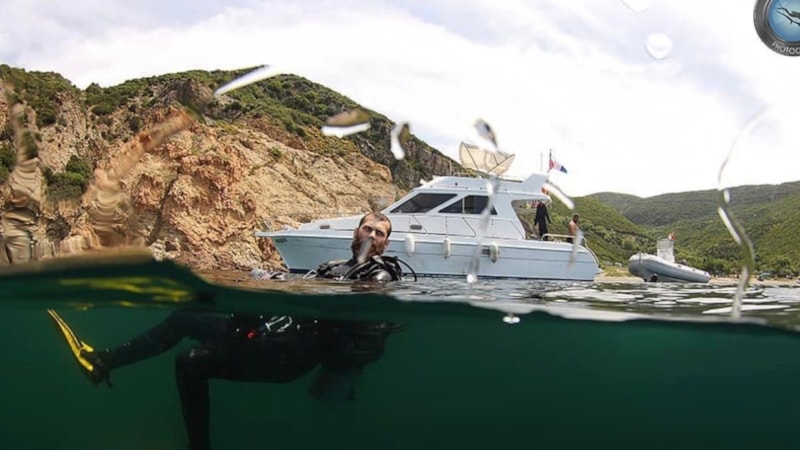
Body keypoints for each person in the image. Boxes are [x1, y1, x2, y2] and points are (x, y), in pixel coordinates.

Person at [50, 212, 407, 450]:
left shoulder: (379, 274)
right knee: (183, 317)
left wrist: (297, 290)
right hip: (274, 336)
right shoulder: (332, 265)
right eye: (367, 228)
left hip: (290, 357)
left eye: (379, 232)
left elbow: (350, 304)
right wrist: (274, 280)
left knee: (191, 362)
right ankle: (103, 362)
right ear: (355, 231)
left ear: (386, 244)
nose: (371, 235)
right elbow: (302, 288)